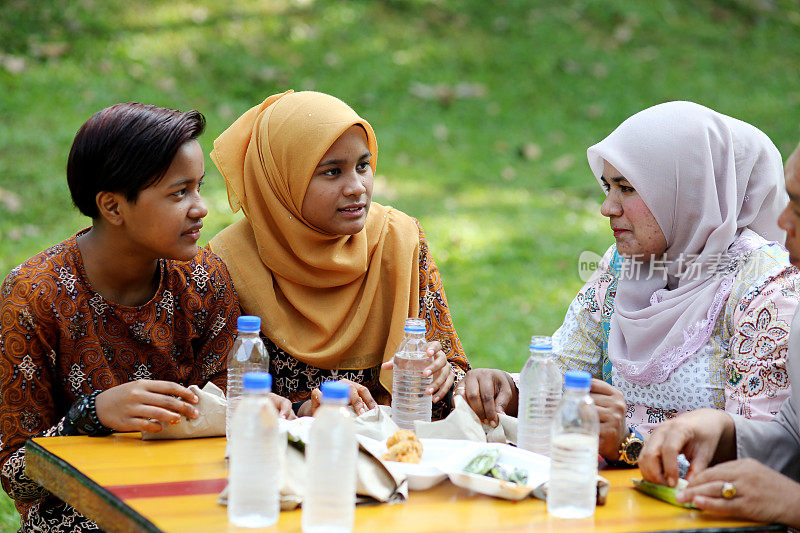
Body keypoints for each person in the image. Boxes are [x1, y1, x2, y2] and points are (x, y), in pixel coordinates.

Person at [0, 103, 293, 531]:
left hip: (192, 492)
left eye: (198, 188)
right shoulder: (34, 296)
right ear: (113, 208)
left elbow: (225, 413)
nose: (200, 208)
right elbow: (15, 476)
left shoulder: (203, 279)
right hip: (79, 513)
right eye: (179, 193)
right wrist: (92, 415)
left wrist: (259, 410)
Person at [459, 101, 800, 464]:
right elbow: (564, 369)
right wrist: (509, 391)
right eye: (608, 187)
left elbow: (761, 461)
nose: (608, 207)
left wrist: (629, 446)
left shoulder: (765, 288)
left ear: (689, 192)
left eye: (628, 188)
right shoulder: (625, 266)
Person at [208, 90, 470, 417]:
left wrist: (445, 374)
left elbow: (452, 369)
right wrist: (306, 409)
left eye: (363, 165)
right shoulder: (228, 262)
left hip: (393, 448)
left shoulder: (399, 240)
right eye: (332, 172)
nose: (357, 187)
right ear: (281, 181)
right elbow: (218, 395)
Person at [638, 141, 800, 528]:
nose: (783, 222)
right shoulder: (626, 269)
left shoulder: (770, 288)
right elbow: (793, 438)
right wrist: (720, 430)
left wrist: (792, 502)